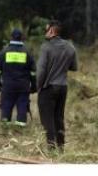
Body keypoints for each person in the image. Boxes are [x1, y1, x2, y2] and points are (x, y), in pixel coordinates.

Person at [35, 20, 78, 151]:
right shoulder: (70, 47)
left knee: (47, 120)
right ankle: (61, 147)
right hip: (63, 87)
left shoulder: (46, 47)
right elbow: (74, 67)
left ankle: (51, 148)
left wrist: (37, 87)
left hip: (48, 87)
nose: (45, 32)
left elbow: (41, 71)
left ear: (52, 31)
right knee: (59, 118)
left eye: (46, 30)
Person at [0, 28, 36, 126]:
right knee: (22, 106)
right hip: (23, 86)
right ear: (22, 38)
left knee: (6, 106)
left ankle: (5, 128)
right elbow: (33, 72)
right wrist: (34, 86)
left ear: (11, 37)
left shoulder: (3, 52)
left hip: (8, 86)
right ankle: (20, 129)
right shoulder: (27, 53)